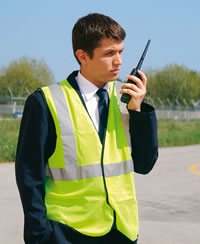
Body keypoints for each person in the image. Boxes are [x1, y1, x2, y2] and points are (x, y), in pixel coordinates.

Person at [15, 13, 158, 244]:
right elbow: (29, 177)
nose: (119, 61)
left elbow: (144, 164)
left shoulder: (127, 100)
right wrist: (39, 237)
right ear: (82, 56)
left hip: (121, 232)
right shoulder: (46, 101)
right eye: (109, 53)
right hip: (67, 233)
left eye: (121, 51)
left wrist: (139, 112)